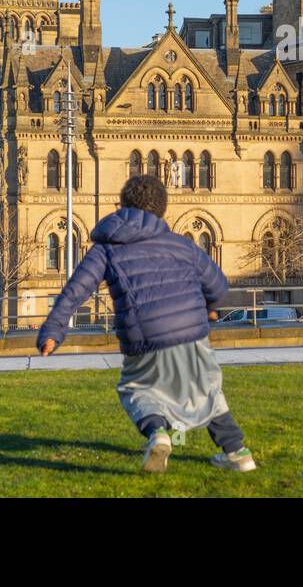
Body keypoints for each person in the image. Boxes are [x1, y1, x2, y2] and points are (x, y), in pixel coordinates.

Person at [37, 175, 256, 474]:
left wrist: (53, 330)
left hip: (145, 335)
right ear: (162, 210)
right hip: (191, 331)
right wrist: (210, 308)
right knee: (206, 389)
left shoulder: (106, 248)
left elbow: (75, 290)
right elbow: (218, 286)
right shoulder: (182, 244)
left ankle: (158, 433)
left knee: (138, 388)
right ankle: (237, 452)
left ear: (122, 205)